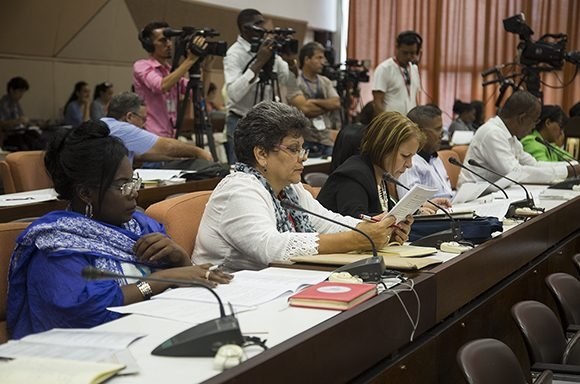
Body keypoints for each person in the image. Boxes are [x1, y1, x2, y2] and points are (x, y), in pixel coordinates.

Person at [7, 121, 232, 339]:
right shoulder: (55, 244)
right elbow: (82, 314)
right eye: (122, 185)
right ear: (85, 193)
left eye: (133, 180)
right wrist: (159, 280)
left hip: (162, 331)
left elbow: (183, 282)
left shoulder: (141, 225)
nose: (134, 192)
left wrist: (181, 260)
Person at [193, 102, 412, 272]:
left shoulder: (290, 188)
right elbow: (270, 248)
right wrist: (356, 239)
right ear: (261, 154)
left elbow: (328, 222)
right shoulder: (239, 189)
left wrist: (378, 230)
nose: (302, 158)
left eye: (302, 149)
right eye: (294, 149)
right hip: (226, 296)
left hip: (275, 286)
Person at [318, 111, 443, 218]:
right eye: (405, 156)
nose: (409, 164)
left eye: (412, 157)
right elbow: (357, 227)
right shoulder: (353, 177)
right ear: (384, 148)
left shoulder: (380, 175)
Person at [458, 91, 580, 190]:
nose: (534, 126)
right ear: (522, 118)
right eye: (535, 121)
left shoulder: (511, 137)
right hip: (472, 201)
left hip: (491, 196)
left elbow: (533, 164)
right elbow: (516, 174)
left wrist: (572, 166)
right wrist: (566, 171)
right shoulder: (492, 133)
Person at [223, 8, 290, 164]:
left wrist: (285, 58)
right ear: (246, 28)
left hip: (267, 123)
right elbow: (233, 93)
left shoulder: (266, 47)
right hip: (241, 123)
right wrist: (259, 62)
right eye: (258, 24)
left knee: (269, 169)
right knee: (243, 175)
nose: (264, 27)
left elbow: (283, 77)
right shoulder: (234, 54)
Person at [133, 21, 207, 139]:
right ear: (149, 44)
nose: (168, 44)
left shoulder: (171, 71)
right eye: (162, 40)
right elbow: (161, 86)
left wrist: (207, 69)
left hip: (171, 136)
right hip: (150, 136)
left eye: (169, 40)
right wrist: (190, 60)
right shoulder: (141, 66)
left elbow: (198, 93)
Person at [102, 92, 213, 165]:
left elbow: (142, 155)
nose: (144, 125)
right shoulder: (124, 129)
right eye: (143, 119)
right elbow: (168, 147)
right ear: (129, 117)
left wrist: (176, 158)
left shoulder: (105, 124)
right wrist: (199, 152)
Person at [398, 105, 454, 199]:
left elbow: (447, 192)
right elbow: (410, 204)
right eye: (437, 129)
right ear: (420, 132)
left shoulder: (433, 156)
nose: (442, 135)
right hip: (434, 212)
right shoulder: (409, 164)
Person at [296, 42, 341, 157]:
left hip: (326, 139)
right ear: (307, 59)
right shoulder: (296, 82)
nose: (323, 61)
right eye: (319, 57)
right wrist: (326, 106)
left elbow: (336, 103)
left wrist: (313, 102)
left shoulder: (325, 81)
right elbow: (305, 110)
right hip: (304, 140)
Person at [372, 31, 422, 115]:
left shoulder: (414, 68)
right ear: (397, 48)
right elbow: (377, 103)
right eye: (405, 53)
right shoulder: (384, 69)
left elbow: (415, 97)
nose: (409, 57)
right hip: (392, 123)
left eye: (413, 53)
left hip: (410, 122)